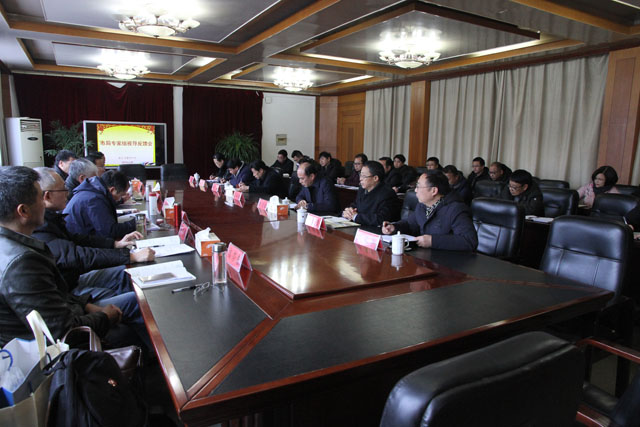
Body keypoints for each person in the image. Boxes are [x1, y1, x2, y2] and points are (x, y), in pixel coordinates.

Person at [0, 166, 147, 349]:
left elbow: (57, 296)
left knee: (127, 284)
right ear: (23, 211)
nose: (44, 203)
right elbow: (64, 333)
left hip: (73, 303)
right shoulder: (22, 263)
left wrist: (86, 305)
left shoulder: (15, 243)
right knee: (139, 304)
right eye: (40, 198)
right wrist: (104, 316)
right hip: (59, 354)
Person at [33, 167, 154, 297]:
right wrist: (131, 257)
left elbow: (77, 239)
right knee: (138, 298)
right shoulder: (40, 226)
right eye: (63, 189)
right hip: (70, 290)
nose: (67, 193)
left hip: (73, 277)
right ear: (47, 196)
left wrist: (114, 244)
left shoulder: (51, 218)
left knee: (128, 275)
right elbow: (79, 255)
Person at [382, 172, 478, 251]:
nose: (415, 190)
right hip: (426, 257)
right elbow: (410, 224)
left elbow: (469, 241)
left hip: (449, 262)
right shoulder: (423, 205)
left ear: (434, 191)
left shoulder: (456, 209)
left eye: (418, 186)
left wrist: (432, 241)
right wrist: (394, 227)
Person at [64, 170, 136, 239]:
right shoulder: (94, 199)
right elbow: (110, 231)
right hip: (79, 242)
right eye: (121, 195)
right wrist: (137, 222)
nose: (120, 199)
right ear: (112, 190)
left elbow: (103, 217)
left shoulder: (93, 190)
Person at [342, 161, 401, 226]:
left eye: (364, 176)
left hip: (376, 230)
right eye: (360, 175)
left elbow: (381, 219)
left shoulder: (387, 194)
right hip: (361, 226)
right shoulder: (362, 189)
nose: (360, 179)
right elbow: (355, 205)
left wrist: (355, 217)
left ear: (375, 178)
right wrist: (348, 211)